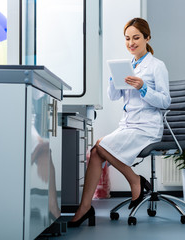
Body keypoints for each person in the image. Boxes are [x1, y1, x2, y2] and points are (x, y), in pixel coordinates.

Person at [68, 18, 171, 227]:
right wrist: (113, 80)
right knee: (95, 152)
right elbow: (114, 97)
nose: (131, 43)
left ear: (147, 38)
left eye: (136, 38)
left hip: (147, 127)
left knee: (100, 146)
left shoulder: (156, 66)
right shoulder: (128, 65)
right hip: (128, 125)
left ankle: (135, 182)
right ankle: (85, 207)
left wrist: (143, 88)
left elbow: (165, 102)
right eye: (127, 39)